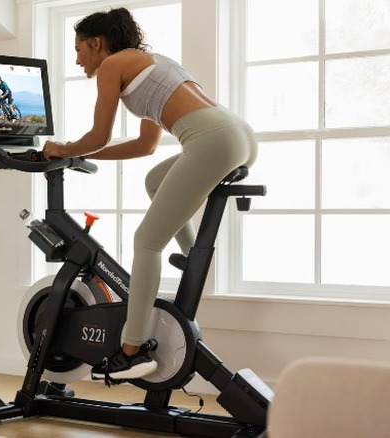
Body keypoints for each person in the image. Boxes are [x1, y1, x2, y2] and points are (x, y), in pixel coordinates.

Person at [42, 7, 258, 382]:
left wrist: (63, 149)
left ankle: (133, 349)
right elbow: (144, 146)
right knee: (155, 180)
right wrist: (76, 153)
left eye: (78, 49)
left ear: (97, 43)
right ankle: (192, 256)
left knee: (146, 242)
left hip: (211, 139)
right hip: (236, 133)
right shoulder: (148, 63)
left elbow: (99, 136)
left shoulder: (113, 66)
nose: (77, 59)